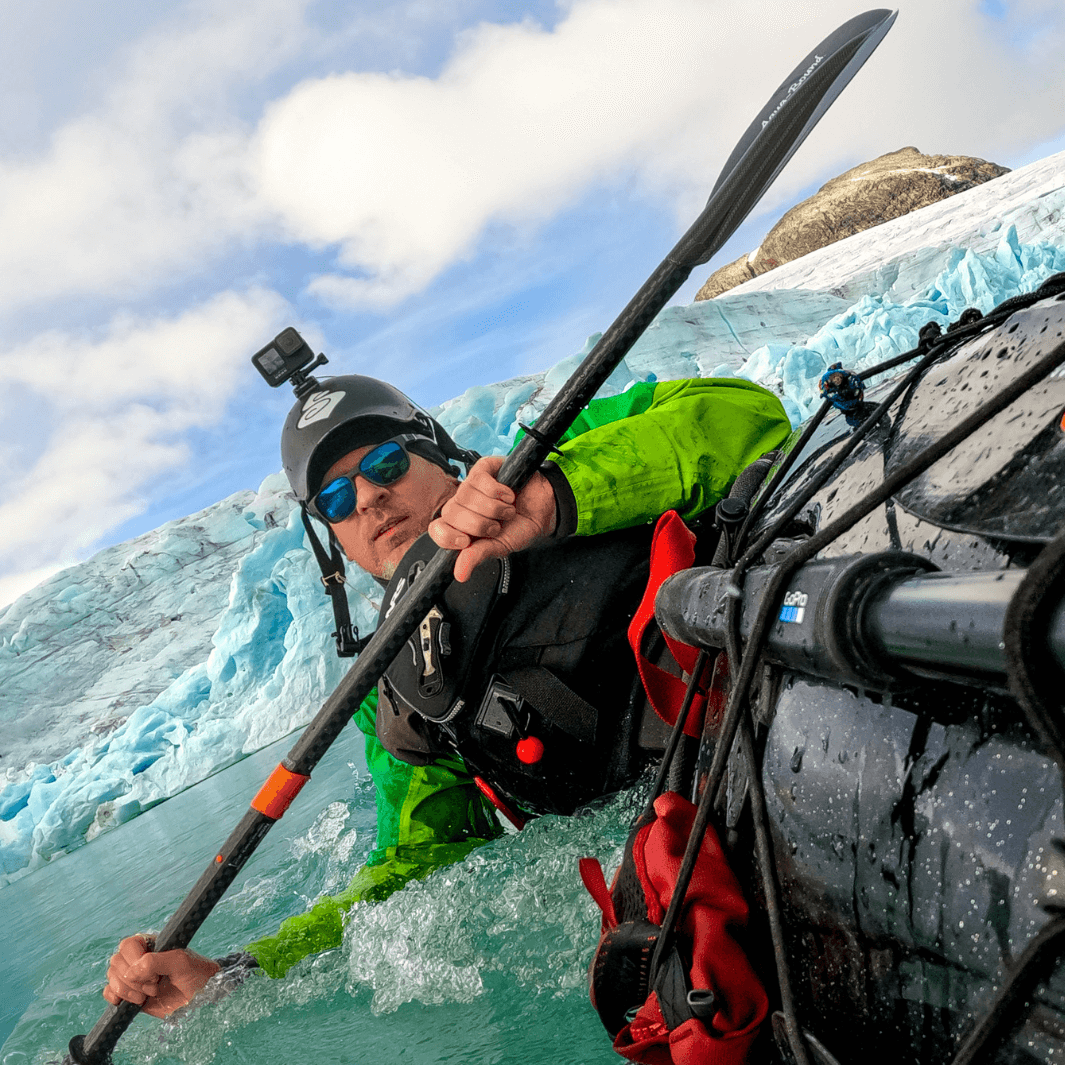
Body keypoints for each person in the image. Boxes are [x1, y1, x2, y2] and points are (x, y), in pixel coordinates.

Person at [103, 370, 791, 1017]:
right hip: (696, 848)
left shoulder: (565, 451)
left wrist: (555, 492)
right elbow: (412, 866)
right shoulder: (395, 698)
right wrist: (238, 971)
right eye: (338, 501)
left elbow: (750, 416)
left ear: (439, 454)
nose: (369, 497)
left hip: (777, 718)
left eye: (386, 465)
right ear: (333, 541)